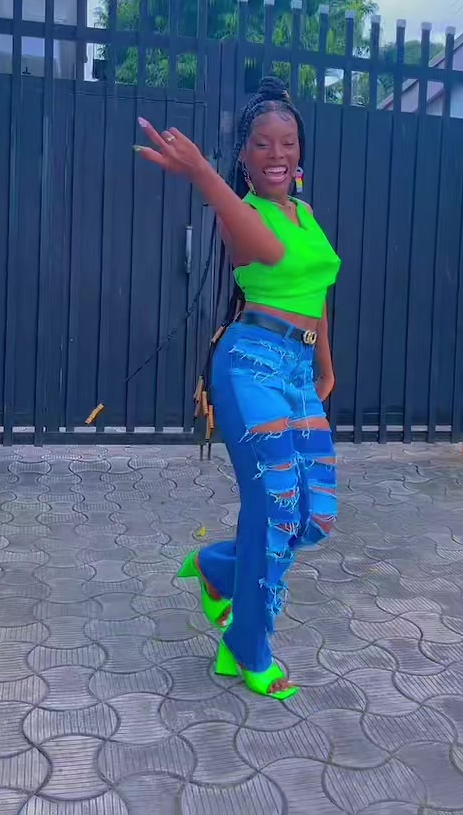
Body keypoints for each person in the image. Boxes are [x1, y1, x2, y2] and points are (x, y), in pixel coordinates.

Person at [135, 76, 340, 700]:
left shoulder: (305, 214)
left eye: (288, 142)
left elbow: (317, 292)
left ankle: (217, 568)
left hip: (298, 371)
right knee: (275, 509)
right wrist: (201, 173)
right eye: (262, 143)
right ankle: (248, 648)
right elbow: (270, 254)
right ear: (245, 156)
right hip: (251, 367)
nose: (278, 154)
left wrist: (325, 363)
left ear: (299, 150)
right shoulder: (242, 215)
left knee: (314, 515)